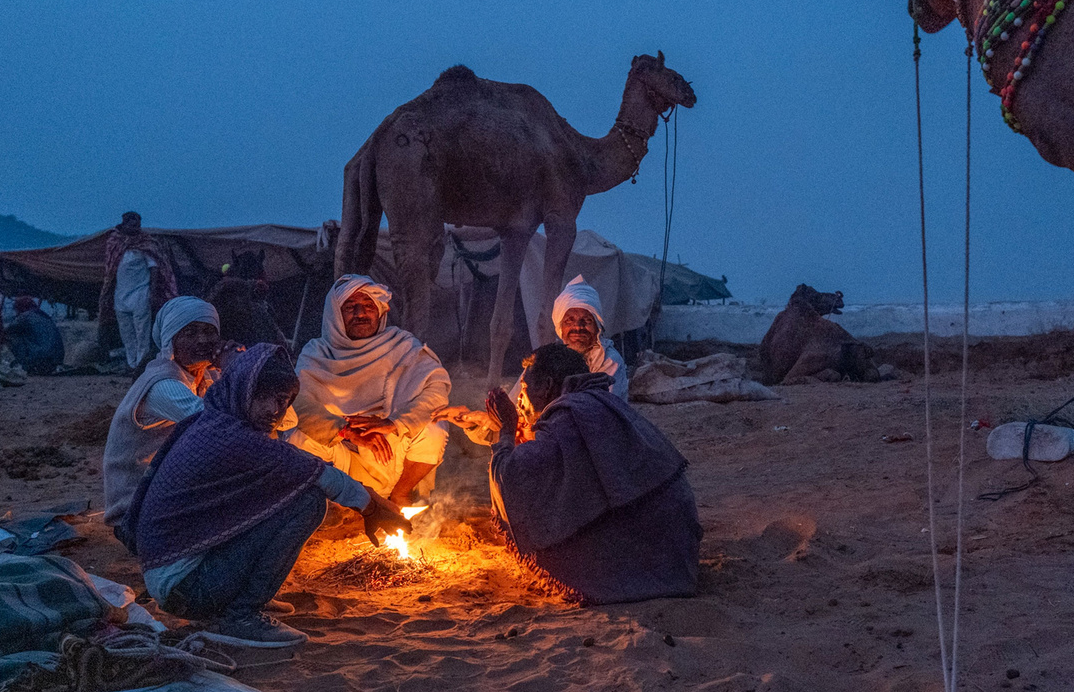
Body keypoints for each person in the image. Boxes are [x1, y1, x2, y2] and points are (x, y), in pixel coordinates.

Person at [128, 344, 407, 645]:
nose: (275, 410)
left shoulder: (213, 421)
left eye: (283, 401)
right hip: (187, 588)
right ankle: (241, 614)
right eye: (265, 397)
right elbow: (315, 472)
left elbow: (296, 466)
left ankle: (240, 595)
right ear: (244, 390)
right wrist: (370, 507)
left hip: (176, 576)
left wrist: (370, 500)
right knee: (308, 502)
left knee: (284, 493)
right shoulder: (233, 437)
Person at [484, 342, 700, 605]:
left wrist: (507, 429)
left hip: (648, 549)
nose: (520, 399)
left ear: (549, 385)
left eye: (526, 390)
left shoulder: (571, 415)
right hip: (675, 545)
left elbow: (513, 479)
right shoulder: (601, 403)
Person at [289, 275, 449, 505]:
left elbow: (436, 389)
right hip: (343, 454)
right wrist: (344, 430)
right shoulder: (316, 353)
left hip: (390, 453)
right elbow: (298, 402)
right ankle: (334, 500)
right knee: (297, 437)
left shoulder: (402, 345)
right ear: (335, 315)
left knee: (434, 425)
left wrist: (395, 423)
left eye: (368, 306)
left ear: (380, 312)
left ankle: (401, 494)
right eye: (350, 307)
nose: (360, 313)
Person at [103, 296, 239, 532]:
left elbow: (282, 417)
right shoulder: (163, 385)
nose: (202, 340)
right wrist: (235, 367)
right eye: (190, 333)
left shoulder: (205, 375)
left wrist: (237, 367)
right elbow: (222, 426)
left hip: (169, 491)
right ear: (170, 340)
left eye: (209, 331)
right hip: (136, 511)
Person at [99, 212, 177, 370]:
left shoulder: (146, 244)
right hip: (120, 296)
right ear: (124, 224)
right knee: (126, 333)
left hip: (141, 294)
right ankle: (131, 363)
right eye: (132, 224)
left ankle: (141, 365)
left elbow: (155, 268)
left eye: (138, 224)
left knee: (142, 332)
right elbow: (110, 270)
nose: (136, 228)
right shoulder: (114, 243)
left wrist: (153, 292)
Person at [551, 275, 629, 398]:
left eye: (586, 320)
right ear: (560, 327)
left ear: (597, 327)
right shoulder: (550, 357)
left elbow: (598, 408)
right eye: (569, 321)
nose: (577, 327)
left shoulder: (609, 361)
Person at [3, 297, 63, 375]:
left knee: (9, 336)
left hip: (40, 358)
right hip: (57, 358)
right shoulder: (44, 315)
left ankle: (26, 364)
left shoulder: (24, 317)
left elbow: (5, 332)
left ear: (21, 308)